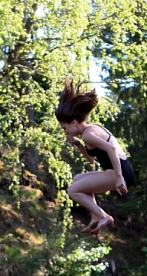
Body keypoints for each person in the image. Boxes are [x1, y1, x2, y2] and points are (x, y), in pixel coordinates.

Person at [55, 77, 135, 235]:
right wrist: (77, 144)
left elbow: (112, 149)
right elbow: (91, 158)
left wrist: (119, 177)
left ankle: (103, 216)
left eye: (64, 128)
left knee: (73, 190)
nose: (65, 132)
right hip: (114, 172)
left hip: (121, 173)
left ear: (74, 123)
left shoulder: (89, 134)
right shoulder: (89, 132)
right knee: (78, 178)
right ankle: (95, 216)